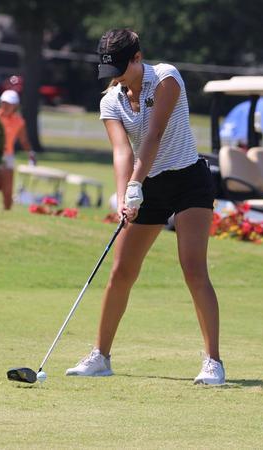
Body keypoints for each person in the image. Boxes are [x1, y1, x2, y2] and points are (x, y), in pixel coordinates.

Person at [65, 29, 224, 385]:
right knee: (121, 270)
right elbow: (122, 151)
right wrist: (125, 197)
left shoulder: (166, 78)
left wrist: (136, 184)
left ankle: (213, 361)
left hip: (188, 179)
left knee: (193, 267)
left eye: (122, 69)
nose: (117, 79)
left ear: (138, 57)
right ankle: (101, 356)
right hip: (147, 183)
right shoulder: (111, 101)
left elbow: (152, 136)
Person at [0, 90, 34, 210]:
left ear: (15, 106)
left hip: (7, 156)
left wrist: (30, 153)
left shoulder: (19, 122)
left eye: (9, 104)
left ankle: (6, 215)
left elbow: (24, 140)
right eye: (4, 103)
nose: (5, 106)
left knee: (7, 191)